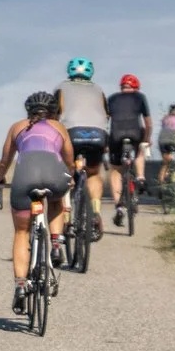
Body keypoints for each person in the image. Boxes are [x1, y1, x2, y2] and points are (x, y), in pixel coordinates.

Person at [0, 90, 74, 309]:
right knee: (56, 201)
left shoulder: (17, 127)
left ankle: (20, 284)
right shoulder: (59, 128)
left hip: (24, 178)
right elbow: (69, 161)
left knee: (21, 232)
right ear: (53, 111)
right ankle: (56, 242)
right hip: (54, 176)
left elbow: (5, 161)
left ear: (28, 110)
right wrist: (71, 178)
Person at [57, 58, 112, 236]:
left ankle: (67, 219)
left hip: (72, 133)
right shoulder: (99, 90)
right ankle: (95, 212)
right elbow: (107, 114)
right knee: (94, 173)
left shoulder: (62, 88)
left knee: (66, 173)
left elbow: (55, 113)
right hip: (98, 133)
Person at [104, 74, 151, 228]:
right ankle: (141, 177)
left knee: (116, 170)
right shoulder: (140, 97)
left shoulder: (111, 98)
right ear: (136, 87)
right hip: (135, 133)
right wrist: (146, 139)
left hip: (116, 135)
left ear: (121, 87)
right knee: (139, 152)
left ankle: (119, 206)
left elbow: (105, 120)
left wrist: (106, 142)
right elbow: (148, 123)